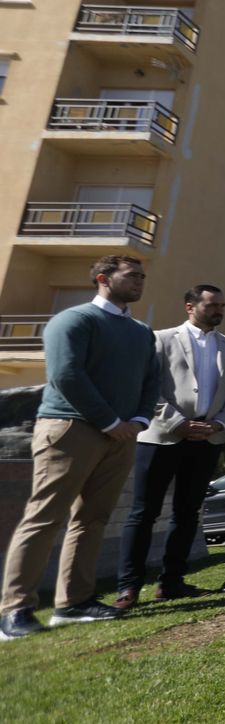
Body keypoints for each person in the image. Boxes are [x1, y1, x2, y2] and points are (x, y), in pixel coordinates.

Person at [0, 256, 158, 639]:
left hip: (120, 436)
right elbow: (67, 375)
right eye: (131, 275)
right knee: (45, 516)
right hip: (70, 428)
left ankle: (73, 603)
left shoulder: (141, 332)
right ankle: (14, 610)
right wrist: (110, 421)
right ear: (103, 278)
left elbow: (151, 379)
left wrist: (138, 421)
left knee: (92, 519)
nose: (139, 281)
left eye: (142, 276)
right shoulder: (74, 320)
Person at [115, 283, 225, 609]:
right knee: (144, 513)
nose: (219, 311)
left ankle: (171, 582)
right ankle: (128, 587)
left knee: (187, 514)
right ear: (190, 306)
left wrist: (219, 425)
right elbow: (148, 388)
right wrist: (178, 423)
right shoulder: (160, 339)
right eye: (213, 305)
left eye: (222, 306)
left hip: (207, 439)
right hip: (162, 437)